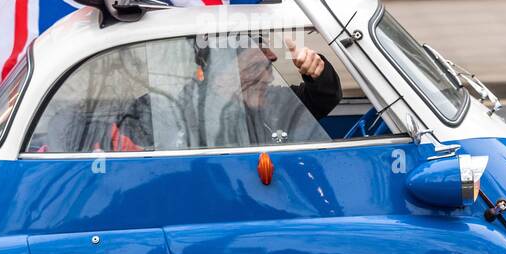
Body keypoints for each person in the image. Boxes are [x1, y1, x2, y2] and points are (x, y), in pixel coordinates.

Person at [113, 36, 342, 151]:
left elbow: (324, 97)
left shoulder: (273, 103)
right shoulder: (167, 110)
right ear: (216, 76)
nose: (269, 78)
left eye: (268, 68)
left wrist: (316, 71)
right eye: (255, 70)